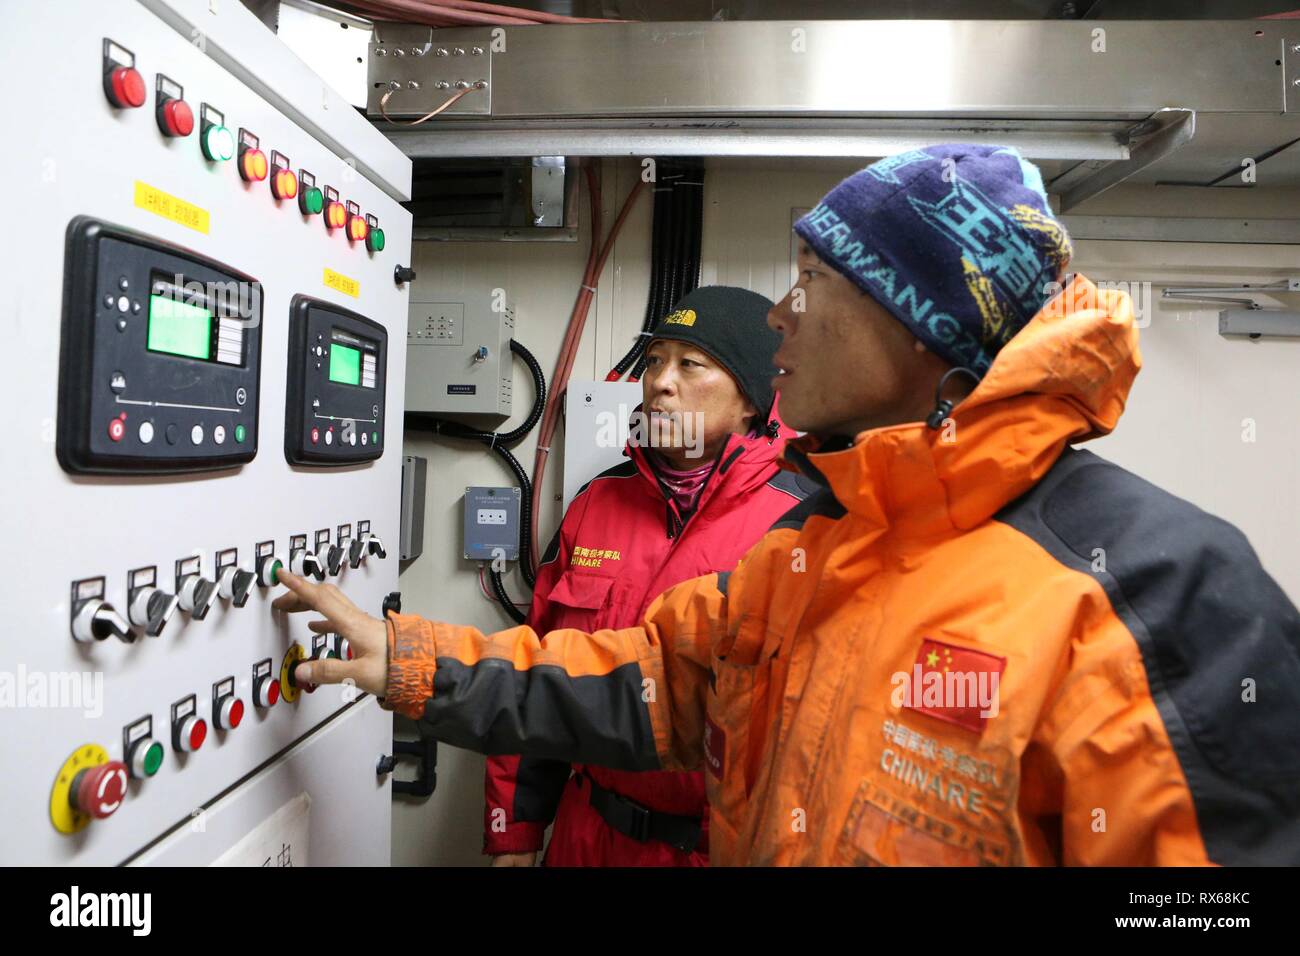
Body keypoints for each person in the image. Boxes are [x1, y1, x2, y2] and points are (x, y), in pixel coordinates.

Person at [275, 144, 1300, 865]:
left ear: (917, 321)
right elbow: (638, 679)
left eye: (810, 278)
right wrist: (408, 659)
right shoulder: (816, 545)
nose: (779, 314)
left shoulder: (1155, 594)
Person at [486, 286, 805, 867]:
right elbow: (535, 667)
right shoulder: (596, 502)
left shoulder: (801, 519)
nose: (659, 380)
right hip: (588, 837)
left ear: (752, 400)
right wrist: (516, 832)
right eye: (655, 360)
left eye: (691, 364)